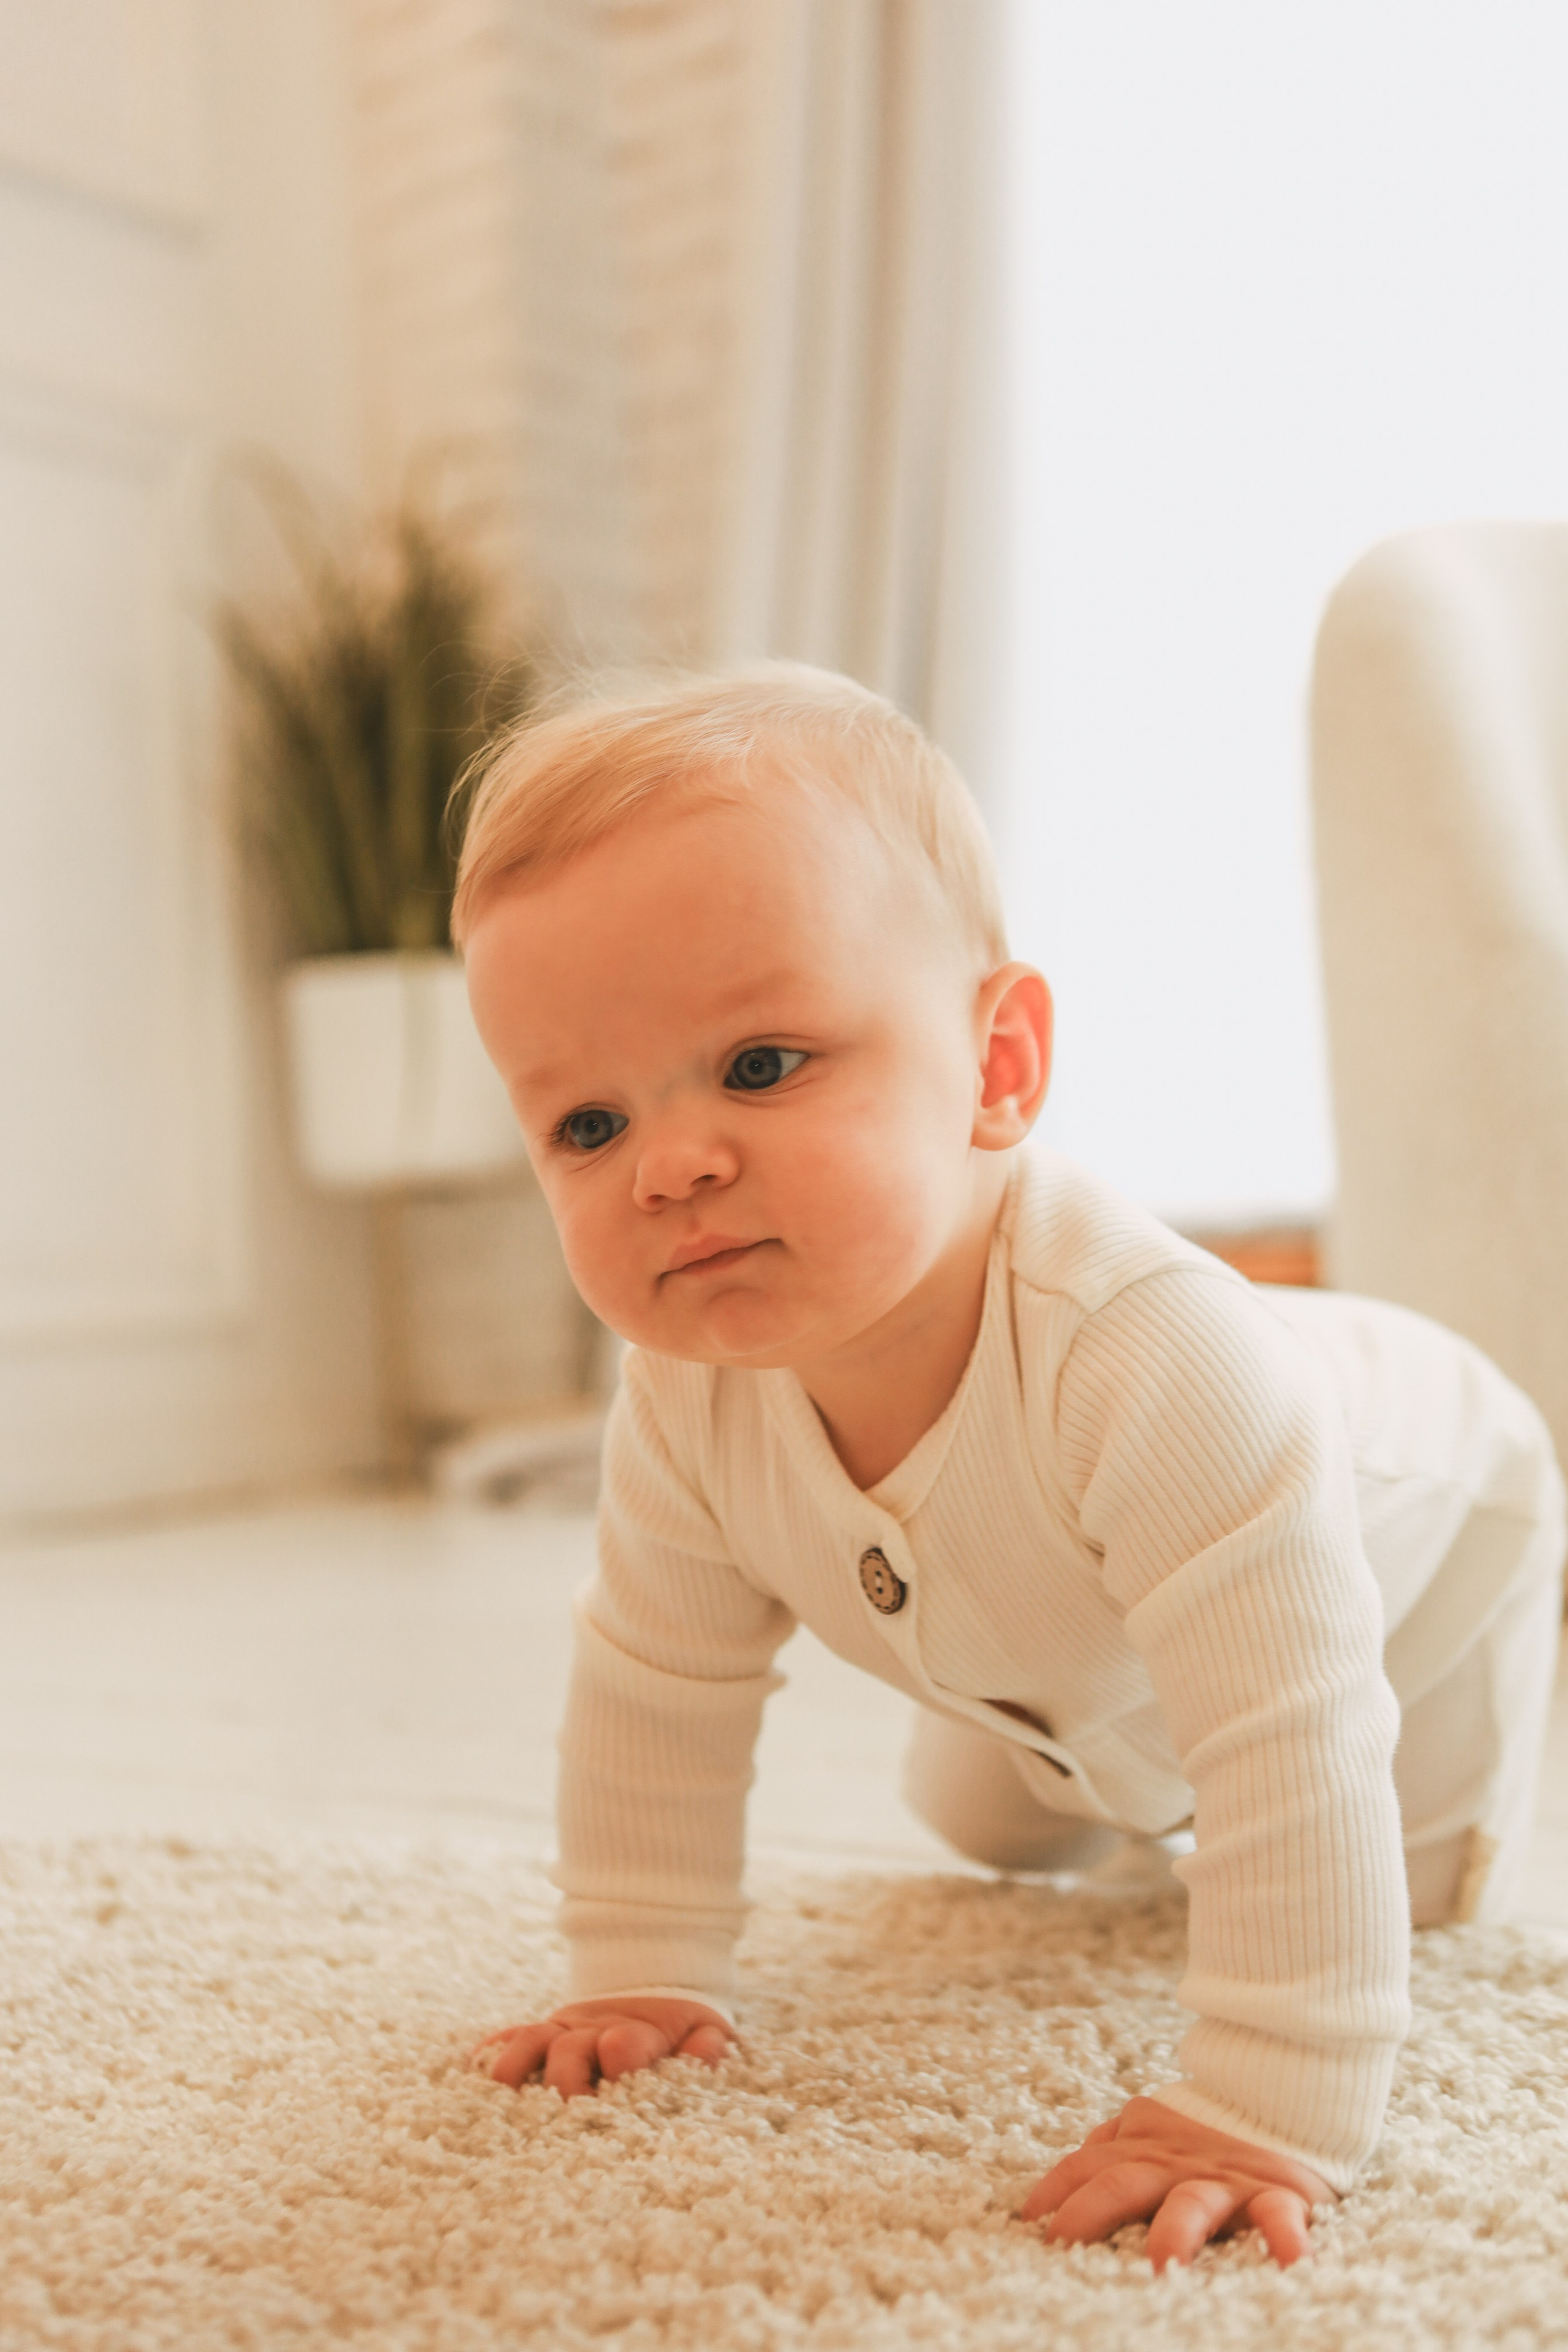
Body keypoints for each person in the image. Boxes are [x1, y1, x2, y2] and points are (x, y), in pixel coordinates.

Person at [453, 666, 1564, 2271]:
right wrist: (641, 1966)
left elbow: (1290, 1734)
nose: (671, 1169)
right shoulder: (687, 1391)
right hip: (1059, 1625)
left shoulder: (1156, 1359)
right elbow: (656, 1685)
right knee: (1001, 1825)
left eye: (760, 1065)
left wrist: (1267, 2100)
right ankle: (1099, 1774)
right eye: (587, 1126)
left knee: (1402, 1889)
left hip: (1428, 1541)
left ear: (998, 1066)